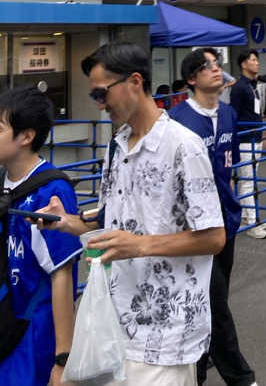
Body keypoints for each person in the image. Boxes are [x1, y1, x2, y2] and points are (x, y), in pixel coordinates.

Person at [44, 41, 225, 385]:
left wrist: (139, 245)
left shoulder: (184, 146)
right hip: (114, 322)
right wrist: (68, 223)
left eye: (101, 94)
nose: (99, 106)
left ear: (135, 82)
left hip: (167, 332)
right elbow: (114, 221)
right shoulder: (116, 145)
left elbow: (214, 237)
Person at [0, 89, 81, 386]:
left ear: (26, 136)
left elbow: (62, 275)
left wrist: (62, 360)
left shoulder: (52, 190)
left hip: (33, 334)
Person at [170, 49, 257, 386]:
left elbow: (230, 165)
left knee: (212, 299)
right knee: (215, 301)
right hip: (196, 226)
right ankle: (240, 376)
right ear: (192, 78)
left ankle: (198, 366)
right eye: (207, 67)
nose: (216, 70)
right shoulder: (178, 119)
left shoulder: (229, 113)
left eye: (218, 64)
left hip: (227, 218)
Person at [230, 48, 266, 239]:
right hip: (245, 139)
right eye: (252, 60)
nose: (256, 62)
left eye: (256, 59)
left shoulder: (253, 85)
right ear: (244, 64)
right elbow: (234, 114)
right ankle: (252, 223)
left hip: (256, 136)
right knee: (247, 180)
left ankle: (248, 216)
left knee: (251, 178)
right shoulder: (239, 87)